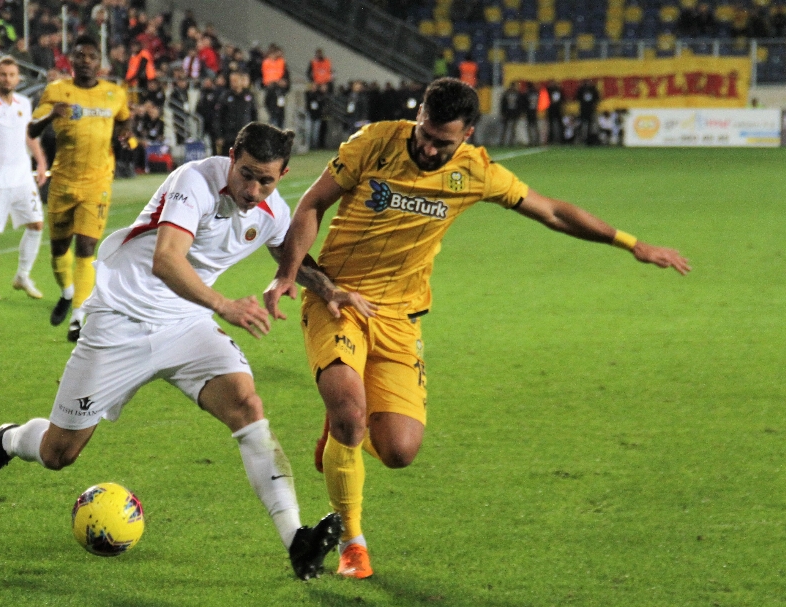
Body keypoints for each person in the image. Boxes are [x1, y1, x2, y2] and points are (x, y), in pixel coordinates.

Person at [264, 78, 692, 579]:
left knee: (399, 451)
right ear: (418, 114)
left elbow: (552, 211)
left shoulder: (477, 172)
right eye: (424, 132)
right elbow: (312, 203)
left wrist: (630, 243)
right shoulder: (374, 143)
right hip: (338, 300)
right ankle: (353, 543)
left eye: (442, 142)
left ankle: (343, 434)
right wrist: (291, 273)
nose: (427, 146)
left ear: (466, 134)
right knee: (351, 414)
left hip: (400, 317)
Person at [0, 122, 344, 580]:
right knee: (59, 453)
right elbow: (166, 259)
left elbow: (291, 254)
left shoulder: (271, 209)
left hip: (186, 325)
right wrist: (224, 304)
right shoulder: (194, 181)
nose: (254, 188)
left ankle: (296, 541)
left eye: (267, 179)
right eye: (246, 174)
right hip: (120, 322)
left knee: (247, 405)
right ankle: (8, 439)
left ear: (282, 175)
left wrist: (329, 290)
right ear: (230, 155)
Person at [29, 35, 131, 342]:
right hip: (62, 180)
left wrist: (125, 136)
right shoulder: (56, 91)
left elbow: (125, 120)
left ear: (99, 63)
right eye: (80, 56)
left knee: (86, 247)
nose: (86, 61)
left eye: (91, 56)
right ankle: (66, 292)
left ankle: (78, 317)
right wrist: (51, 114)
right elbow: (31, 130)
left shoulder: (115, 93)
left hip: (97, 182)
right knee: (59, 248)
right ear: (70, 61)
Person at [0, 57, 48, 301]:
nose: (7, 79)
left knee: (36, 224)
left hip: (23, 177)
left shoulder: (24, 103)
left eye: (12, 74)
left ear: (18, 78)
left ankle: (22, 275)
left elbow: (30, 137)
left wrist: (41, 162)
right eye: (3, 74)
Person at [214, 72, 256, 156]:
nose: (233, 83)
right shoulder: (225, 96)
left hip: (245, 137)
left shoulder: (248, 96)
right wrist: (219, 135)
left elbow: (254, 116)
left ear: (241, 81)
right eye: (232, 81)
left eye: (235, 81)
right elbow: (218, 117)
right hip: (228, 137)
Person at [499, 80, 522, 146]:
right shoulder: (506, 94)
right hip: (507, 113)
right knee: (505, 129)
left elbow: (520, 104)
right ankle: (502, 142)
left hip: (514, 113)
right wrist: (503, 113)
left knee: (513, 129)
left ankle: (511, 142)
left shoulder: (517, 94)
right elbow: (503, 104)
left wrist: (519, 113)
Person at [577, 79, 600, 145]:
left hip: (591, 110)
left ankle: (590, 140)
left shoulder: (593, 90)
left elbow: (597, 98)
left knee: (591, 126)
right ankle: (581, 138)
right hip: (583, 110)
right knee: (582, 125)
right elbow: (577, 97)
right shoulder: (581, 89)